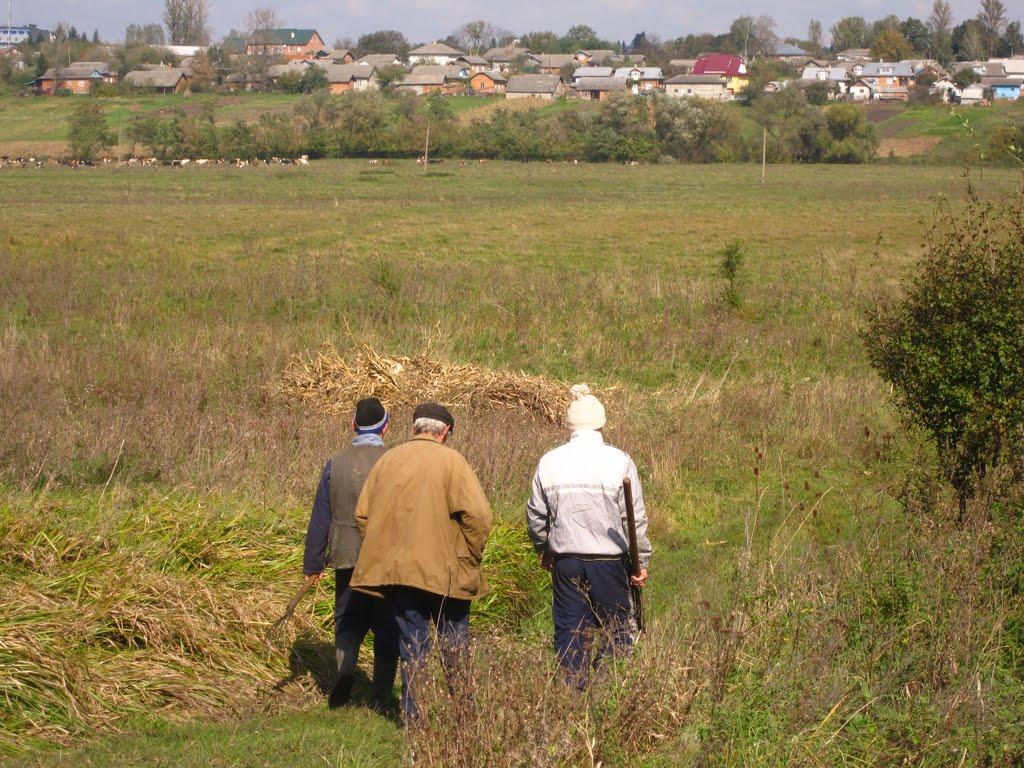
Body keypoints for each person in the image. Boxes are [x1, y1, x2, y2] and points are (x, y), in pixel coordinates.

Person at [351, 402, 493, 722]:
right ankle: (464, 718)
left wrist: (387, 550)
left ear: (414, 428)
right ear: (446, 431)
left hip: (401, 575)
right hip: (446, 573)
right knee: (454, 647)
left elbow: (362, 516)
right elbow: (480, 517)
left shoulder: (388, 461)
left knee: (412, 647)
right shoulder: (453, 462)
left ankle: (415, 718)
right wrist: (468, 555)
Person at [526, 384, 652, 686]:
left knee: (570, 630)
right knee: (618, 629)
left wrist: (544, 548)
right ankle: (607, 689)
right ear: (601, 423)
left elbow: (535, 514)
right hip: (609, 562)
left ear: (570, 426)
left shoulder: (549, 462)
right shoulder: (619, 461)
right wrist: (641, 561)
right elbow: (633, 518)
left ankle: (573, 694)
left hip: (566, 562)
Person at [302, 397, 399, 710]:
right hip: (386, 560)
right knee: (387, 625)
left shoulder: (335, 463)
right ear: (385, 428)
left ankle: (345, 671)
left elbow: (320, 518)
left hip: (345, 557)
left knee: (347, 619)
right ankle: (381, 696)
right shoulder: (395, 461)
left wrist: (313, 563)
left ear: (353, 426)